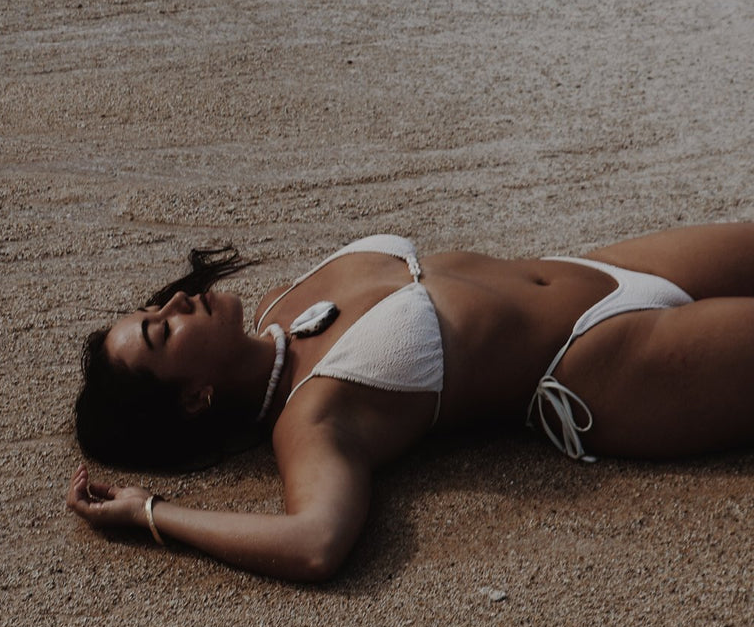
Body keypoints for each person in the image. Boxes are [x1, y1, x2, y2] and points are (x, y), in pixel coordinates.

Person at [67, 223, 754, 581]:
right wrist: (152, 513)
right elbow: (314, 544)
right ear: (196, 399)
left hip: (605, 269)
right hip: (602, 359)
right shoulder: (310, 418)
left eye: (156, 307)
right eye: (163, 329)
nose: (177, 300)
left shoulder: (283, 305)